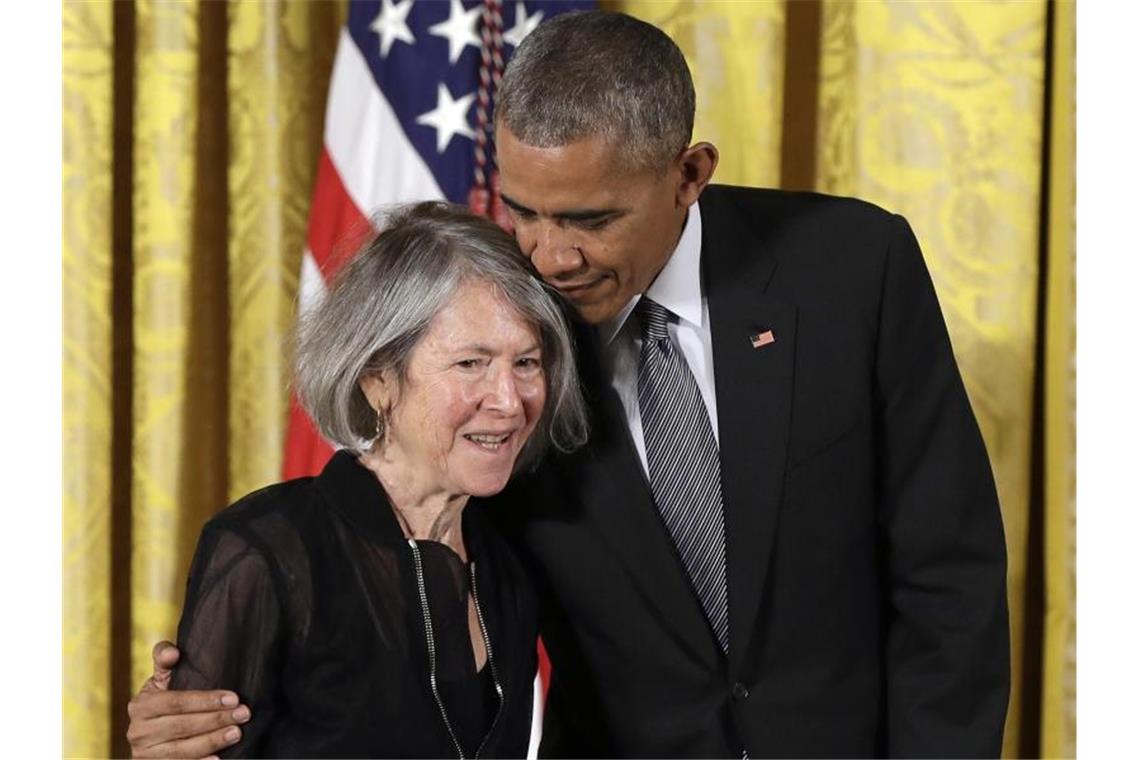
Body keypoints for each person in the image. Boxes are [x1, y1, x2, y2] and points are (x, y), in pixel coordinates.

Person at [128, 11, 1010, 758]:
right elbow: (394, 614)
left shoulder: (852, 269)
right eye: (525, 211)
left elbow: (948, 573)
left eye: (590, 219)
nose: (550, 255)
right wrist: (205, 703)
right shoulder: (513, 326)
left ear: (688, 175)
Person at [126, 201, 587, 758]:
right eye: (471, 364)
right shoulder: (266, 550)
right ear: (378, 379)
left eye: (527, 363)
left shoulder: (510, 560)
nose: (509, 401)